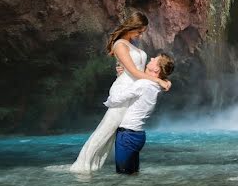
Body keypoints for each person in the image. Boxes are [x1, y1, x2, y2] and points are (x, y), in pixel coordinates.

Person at [69, 12, 171, 174]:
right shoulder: (120, 45)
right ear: (131, 27)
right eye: (139, 31)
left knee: (119, 127)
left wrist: (160, 78)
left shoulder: (130, 44)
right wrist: (158, 80)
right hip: (125, 88)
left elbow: (133, 70)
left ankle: (100, 165)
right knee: (107, 128)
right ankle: (84, 164)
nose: (140, 35)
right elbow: (134, 72)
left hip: (135, 87)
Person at [108, 53, 174, 174]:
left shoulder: (142, 84)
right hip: (137, 135)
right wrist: (123, 76)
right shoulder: (154, 85)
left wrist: (119, 80)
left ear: (156, 69)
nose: (152, 57)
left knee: (123, 176)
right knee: (133, 174)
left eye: (155, 59)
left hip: (127, 135)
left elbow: (114, 100)